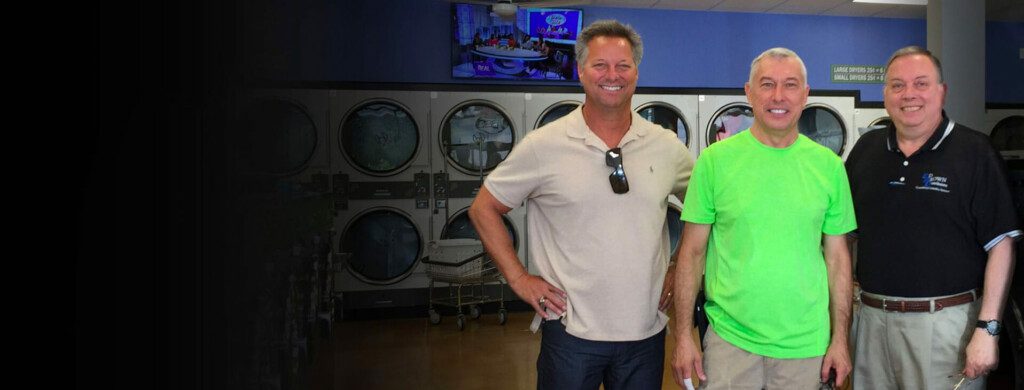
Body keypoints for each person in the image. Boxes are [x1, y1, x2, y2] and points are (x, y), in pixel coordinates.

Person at [469, 19, 694, 389]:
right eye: (600, 65)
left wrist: (676, 266)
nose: (613, 75)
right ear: (580, 71)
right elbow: (484, 208)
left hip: (645, 330)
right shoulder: (544, 145)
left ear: (636, 72)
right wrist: (519, 278)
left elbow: (703, 210)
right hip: (570, 332)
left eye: (623, 66)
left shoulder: (666, 146)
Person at [671, 47, 857, 390]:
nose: (778, 96)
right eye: (767, 84)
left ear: (805, 94)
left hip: (806, 346)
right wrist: (683, 335)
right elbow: (692, 253)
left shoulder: (829, 168)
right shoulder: (715, 162)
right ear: (749, 92)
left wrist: (840, 340)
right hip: (730, 342)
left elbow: (837, 260)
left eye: (790, 85)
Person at [845, 46, 1021, 390]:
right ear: (885, 95)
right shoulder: (866, 151)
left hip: (946, 327)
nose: (909, 94)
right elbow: (845, 235)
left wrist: (988, 329)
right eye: (897, 85)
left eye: (921, 83)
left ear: (942, 91)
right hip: (869, 322)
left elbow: (1001, 245)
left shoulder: (975, 152)